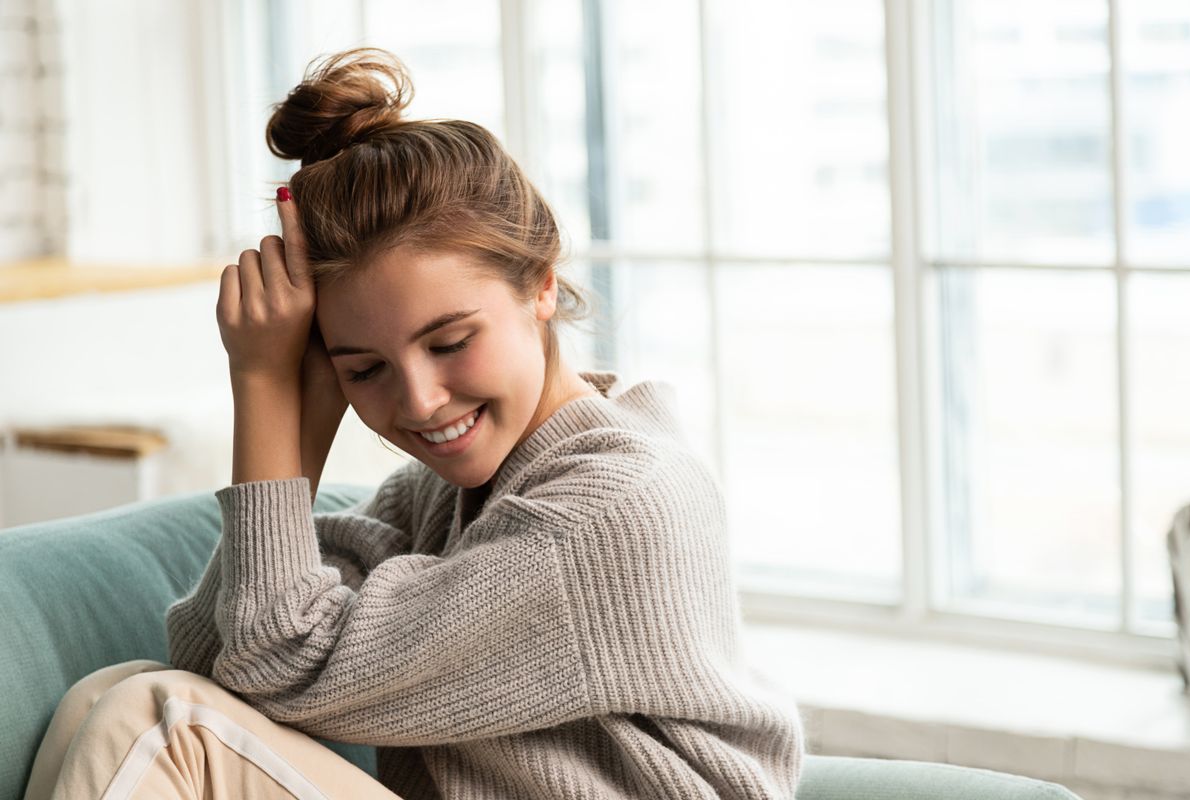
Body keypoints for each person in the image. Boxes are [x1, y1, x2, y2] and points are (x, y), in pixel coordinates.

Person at [23, 47, 805, 799]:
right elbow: (216, 653)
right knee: (113, 694)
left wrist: (262, 382)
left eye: (450, 342)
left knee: (156, 722)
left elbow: (272, 657)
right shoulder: (439, 497)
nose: (422, 400)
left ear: (540, 284)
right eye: (364, 369)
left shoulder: (609, 507)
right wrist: (309, 412)